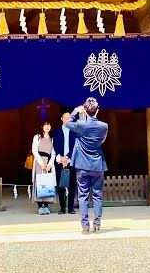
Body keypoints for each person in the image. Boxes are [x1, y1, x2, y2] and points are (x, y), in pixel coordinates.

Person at [66, 96, 109, 233]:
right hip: (97, 164)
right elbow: (102, 141)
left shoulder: (81, 125)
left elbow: (67, 123)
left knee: (82, 195)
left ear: (85, 110)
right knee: (97, 195)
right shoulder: (104, 126)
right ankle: (97, 223)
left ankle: (85, 225)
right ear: (98, 110)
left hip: (82, 164)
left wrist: (75, 111)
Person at [54, 111, 77, 214]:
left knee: (72, 185)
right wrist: (62, 158)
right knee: (61, 185)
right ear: (61, 119)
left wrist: (67, 158)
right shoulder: (57, 131)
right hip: (60, 160)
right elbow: (55, 145)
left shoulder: (74, 131)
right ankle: (62, 207)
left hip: (71, 161)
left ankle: (71, 207)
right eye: (65, 117)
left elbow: (75, 146)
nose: (67, 119)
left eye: (69, 117)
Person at [31, 121, 57, 214]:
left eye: (48, 125)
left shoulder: (52, 138)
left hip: (48, 162)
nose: (47, 127)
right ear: (42, 126)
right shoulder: (37, 137)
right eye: (45, 125)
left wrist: (49, 164)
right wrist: (41, 163)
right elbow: (34, 150)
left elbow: (53, 152)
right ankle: (39, 207)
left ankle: (46, 206)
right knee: (40, 184)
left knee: (47, 184)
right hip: (39, 163)